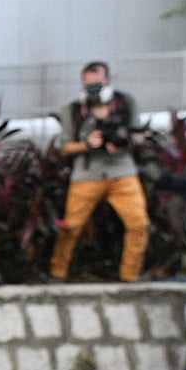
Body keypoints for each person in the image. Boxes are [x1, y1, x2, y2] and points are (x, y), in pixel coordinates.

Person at [48, 61, 149, 282]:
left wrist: (123, 143)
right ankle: (58, 274)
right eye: (88, 82)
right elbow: (64, 147)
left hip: (122, 171)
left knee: (139, 224)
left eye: (97, 82)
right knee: (71, 226)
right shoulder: (74, 109)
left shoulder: (124, 103)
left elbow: (139, 135)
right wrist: (87, 143)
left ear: (108, 80)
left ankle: (129, 277)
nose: (93, 87)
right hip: (87, 174)